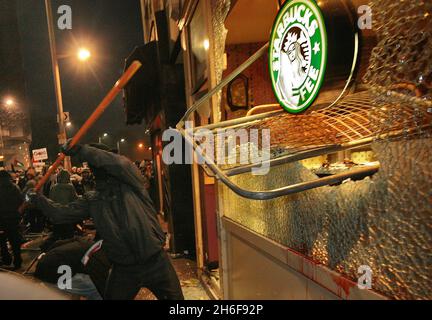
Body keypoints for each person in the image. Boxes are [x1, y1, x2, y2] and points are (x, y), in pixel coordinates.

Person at [27, 142, 184, 300]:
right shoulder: (93, 199)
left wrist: (82, 150)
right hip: (124, 269)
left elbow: (118, 163)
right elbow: (60, 214)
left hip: (156, 261)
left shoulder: (132, 182)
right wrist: (37, 198)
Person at [0, 170, 24, 270]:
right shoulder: (15, 187)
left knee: (2, 240)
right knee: (14, 240)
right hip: (13, 218)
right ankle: (17, 260)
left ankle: (6, 257)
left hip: (1, 219)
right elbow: (21, 201)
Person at [47, 170, 79, 242]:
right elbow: (75, 200)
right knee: (68, 238)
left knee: (57, 237)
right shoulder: (70, 187)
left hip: (56, 216)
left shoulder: (53, 188)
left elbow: (50, 201)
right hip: (67, 216)